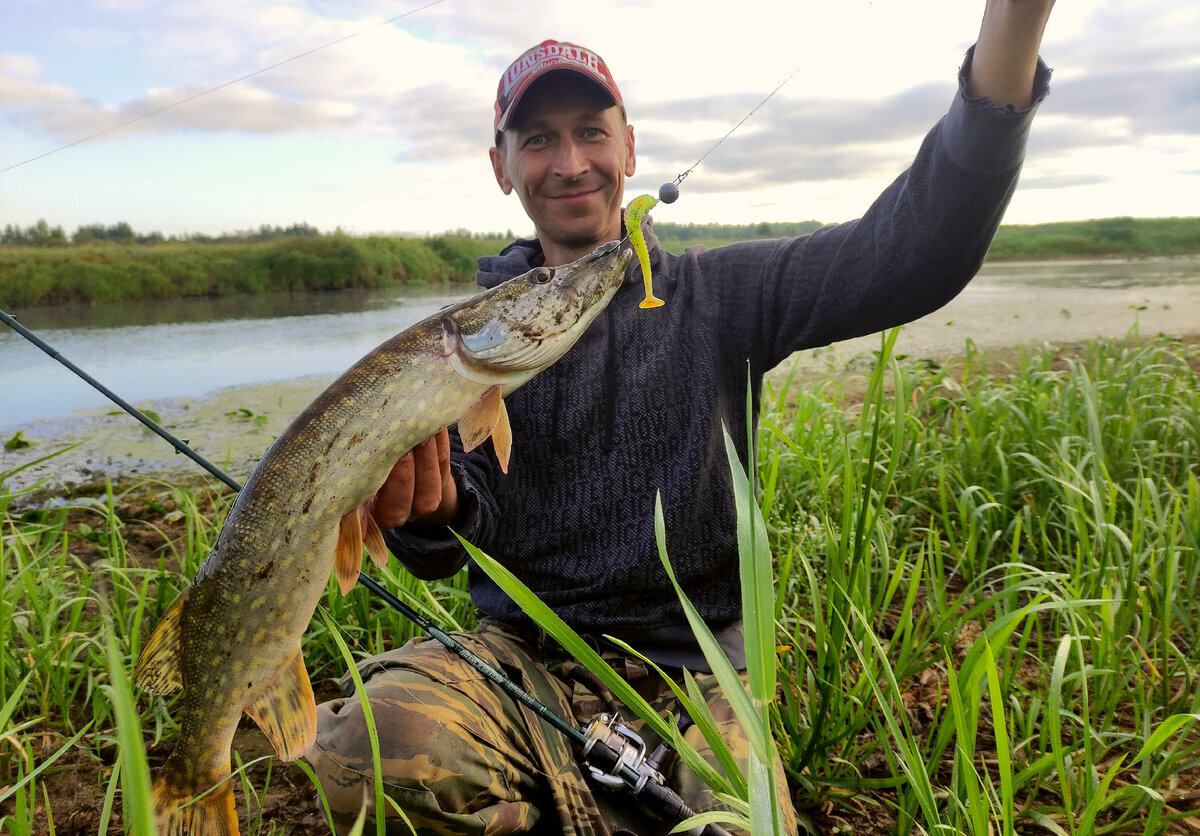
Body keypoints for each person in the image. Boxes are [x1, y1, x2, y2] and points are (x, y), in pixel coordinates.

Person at [308, 3, 1055, 833]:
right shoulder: (465, 344)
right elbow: (447, 538)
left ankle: (576, 805)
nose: (570, 163)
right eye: (539, 139)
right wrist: (430, 506)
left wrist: (1014, 24)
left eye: (591, 132)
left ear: (628, 148)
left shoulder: (723, 293)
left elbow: (915, 251)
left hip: (698, 667)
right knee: (358, 750)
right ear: (502, 166)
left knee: (736, 825)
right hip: (523, 661)